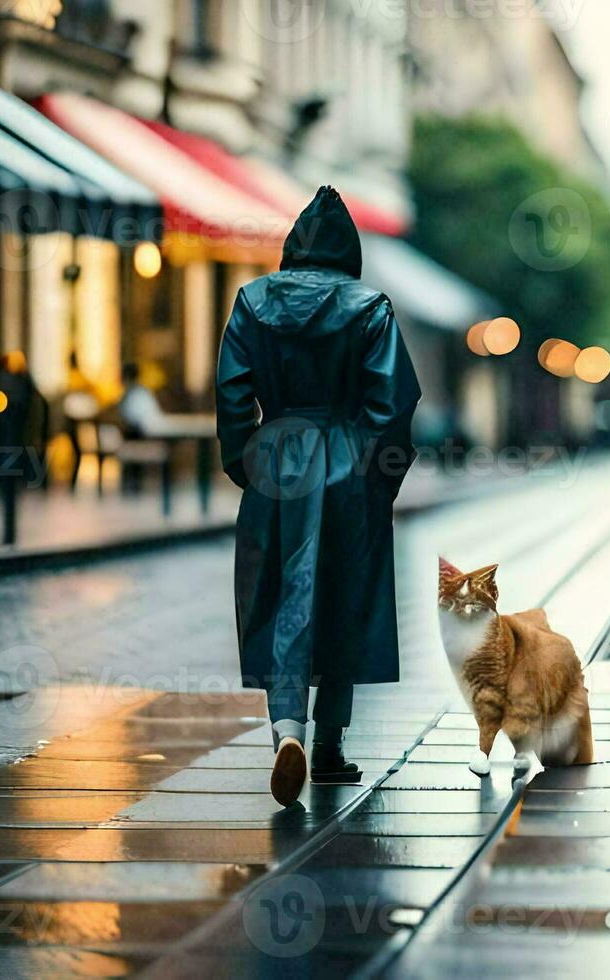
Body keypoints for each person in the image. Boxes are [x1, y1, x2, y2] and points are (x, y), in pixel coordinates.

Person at [216, 187, 421, 807]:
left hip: (276, 460)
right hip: (347, 462)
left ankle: (287, 729)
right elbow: (394, 403)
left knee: (279, 593)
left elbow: (230, 394)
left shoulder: (252, 300)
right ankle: (329, 746)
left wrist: (244, 462)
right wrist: (377, 476)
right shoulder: (370, 306)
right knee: (343, 595)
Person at [116, 362, 164, 438]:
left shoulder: (134, 394)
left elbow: (130, 421)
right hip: (150, 434)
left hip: (144, 437)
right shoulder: (143, 392)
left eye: (120, 376)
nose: (118, 379)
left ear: (126, 377)